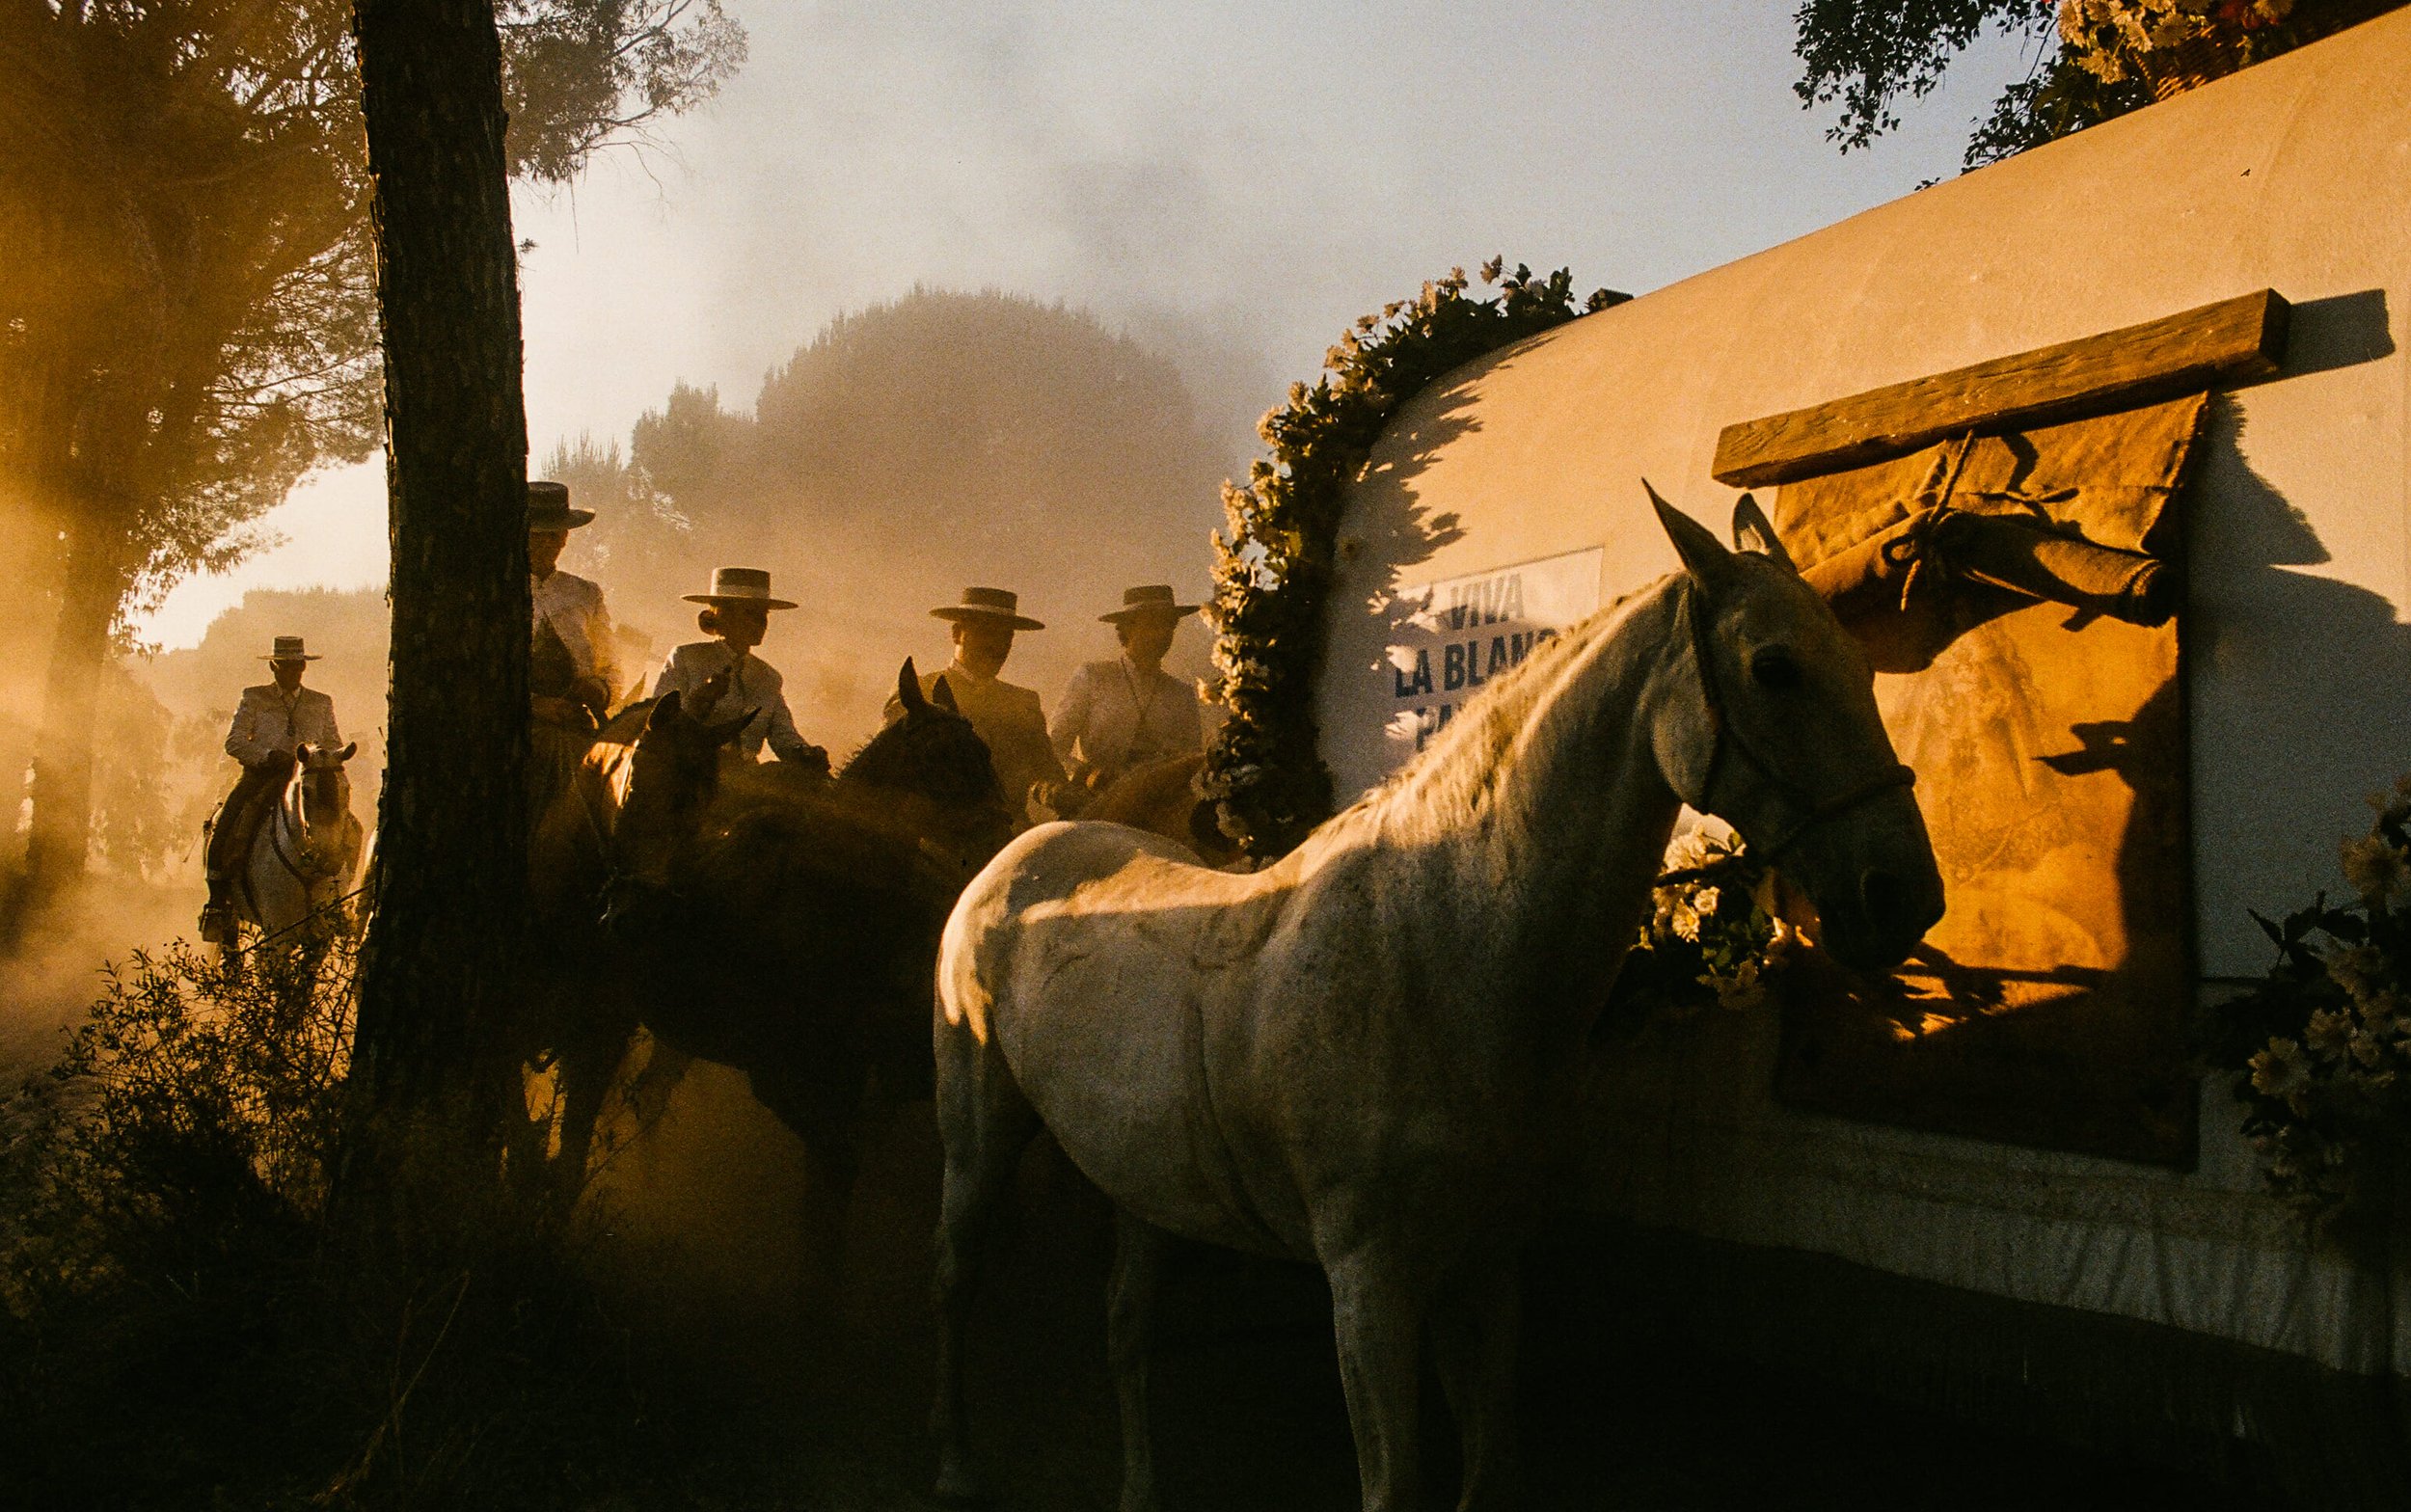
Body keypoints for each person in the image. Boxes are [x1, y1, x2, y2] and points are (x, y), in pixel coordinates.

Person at [200, 635, 341, 942]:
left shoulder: (321, 702)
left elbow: (333, 742)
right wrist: (266, 755)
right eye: (284, 666)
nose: (290, 672)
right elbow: (234, 741)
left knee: (343, 823)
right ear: (274, 667)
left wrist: (322, 759)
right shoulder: (254, 697)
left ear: (303, 666)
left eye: (295, 666)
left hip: (308, 779)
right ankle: (217, 903)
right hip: (261, 777)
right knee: (226, 823)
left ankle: (338, 897)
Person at [885, 586, 1063, 824]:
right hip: (933, 838)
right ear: (957, 634)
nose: (999, 647)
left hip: (1008, 838)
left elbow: (1048, 771)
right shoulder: (918, 693)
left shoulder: (1024, 703)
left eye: (1006, 637)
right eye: (987, 632)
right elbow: (886, 771)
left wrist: (1062, 791)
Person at [650, 567, 828, 770]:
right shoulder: (687, 658)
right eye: (750, 613)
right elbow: (657, 722)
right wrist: (700, 699)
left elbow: (783, 735)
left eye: (764, 614)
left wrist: (804, 752)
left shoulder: (768, 677)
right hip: (689, 774)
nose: (762, 623)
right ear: (724, 615)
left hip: (746, 783)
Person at [1049, 583, 1206, 799]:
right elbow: (1054, 749)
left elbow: (1192, 762)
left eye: (1170, 625)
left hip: (1157, 807)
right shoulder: (1093, 677)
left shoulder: (1182, 694)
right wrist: (1088, 775)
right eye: (1152, 624)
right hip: (1094, 803)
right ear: (1127, 628)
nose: (1163, 633)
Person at [528, 479, 620, 815]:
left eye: (555, 533)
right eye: (537, 533)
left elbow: (612, 666)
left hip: (575, 727)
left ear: (566, 536)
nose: (548, 542)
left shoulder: (585, 594)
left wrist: (598, 688)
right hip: (508, 730)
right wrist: (536, 706)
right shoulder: (494, 590)